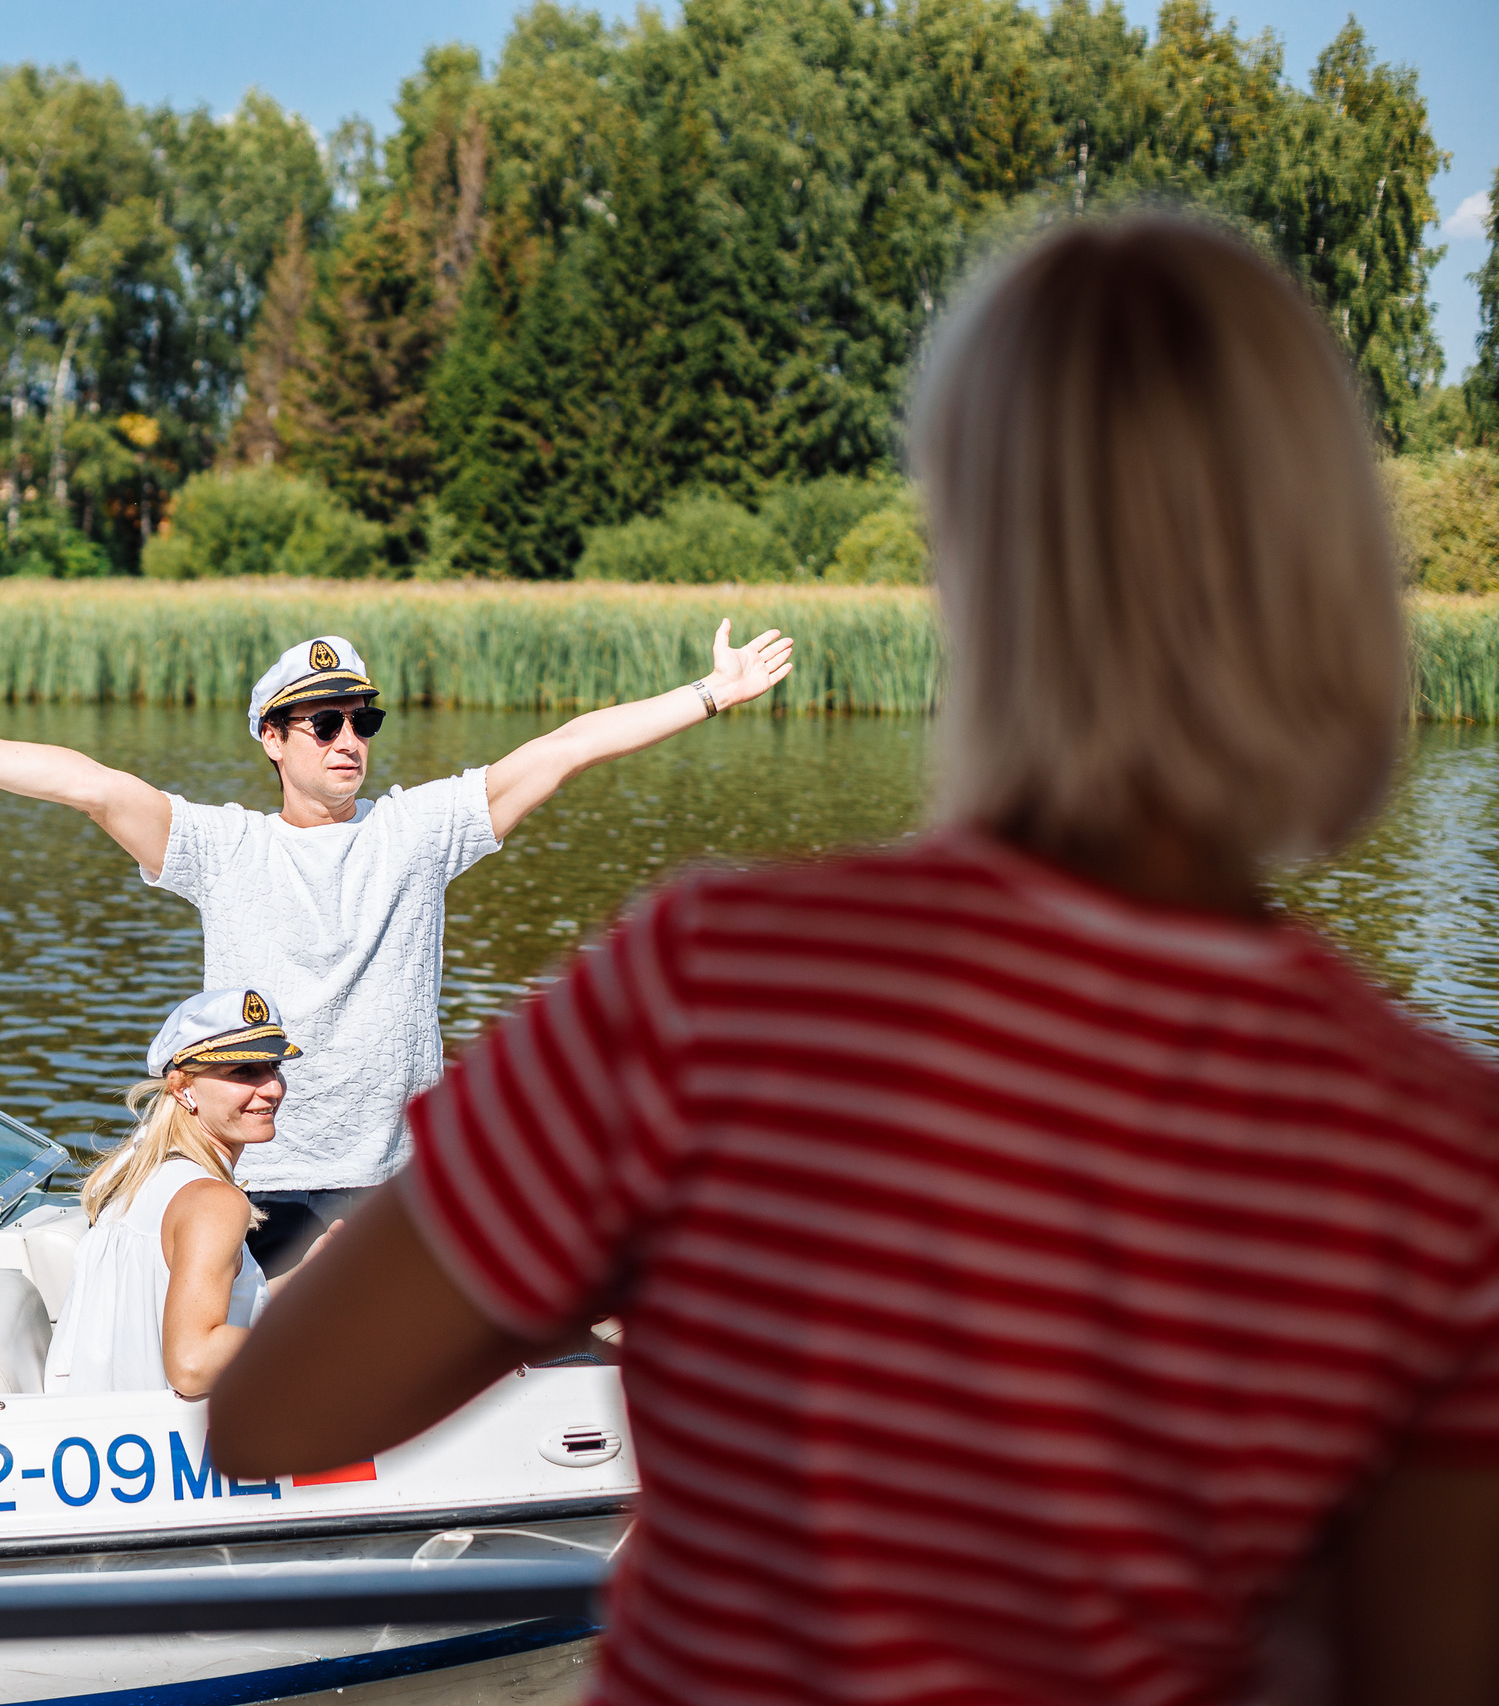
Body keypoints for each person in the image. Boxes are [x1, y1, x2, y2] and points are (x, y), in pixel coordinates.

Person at [209, 215, 1499, 1706]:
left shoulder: (708, 991)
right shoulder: (1441, 1157)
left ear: (973, 575)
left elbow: (271, 1414)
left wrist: (611, 1258)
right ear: (1332, 582)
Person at [0, 625, 794, 1276]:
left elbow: (566, 748)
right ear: (272, 739)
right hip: (256, 1178)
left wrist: (714, 692)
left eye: (362, 722)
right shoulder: (221, 849)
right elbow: (93, 785)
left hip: (392, 1182)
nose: (348, 741)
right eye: (323, 723)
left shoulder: (419, 832)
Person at [45, 989, 332, 1398]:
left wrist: (311, 1280)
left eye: (274, 1066)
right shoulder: (214, 1202)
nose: (272, 1088)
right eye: (243, 1072)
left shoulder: (134, 1169)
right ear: (183, 1088)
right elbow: (192, 1364)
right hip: (172, 1434)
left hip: (107, 1424)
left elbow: (192, 1308)